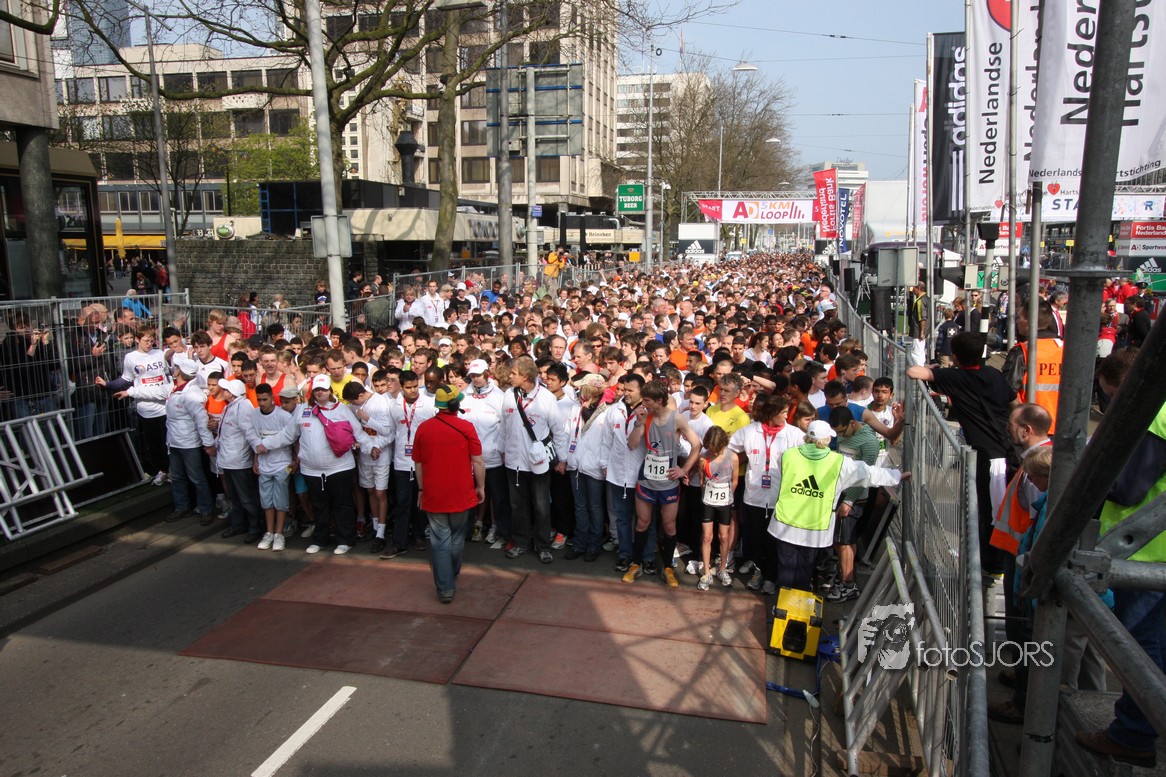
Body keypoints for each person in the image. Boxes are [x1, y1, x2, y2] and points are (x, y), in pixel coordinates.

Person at [1076, 351, 1166, 768]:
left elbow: (1128, 488)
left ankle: (1133, 734)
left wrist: (1087, 469)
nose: (1107, 405)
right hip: (1150, 553)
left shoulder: (1153, 416)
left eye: (1110, 397)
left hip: (1143, 554)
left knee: (1141, 647)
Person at [907, 331, 1015, 575]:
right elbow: (1014, 402)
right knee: (994, 510)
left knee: (991, 513)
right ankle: (989, 561)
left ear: (955, 356)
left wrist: (932, 368)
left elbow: (914, 372)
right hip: (1004, 448)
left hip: (989, 457)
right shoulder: (994, 374)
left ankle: (993, 567)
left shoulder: (955, 377)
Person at [770, 420, 907, 591]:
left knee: (785, 570)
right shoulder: (839, 462)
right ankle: (798, 605)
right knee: (805, 571)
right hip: (815, 528)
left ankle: (783, 604)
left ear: (807, 437)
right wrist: (896, 476)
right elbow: (868, 473)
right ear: (827, 440)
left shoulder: (788, 455)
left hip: (785, 523)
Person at [276, 374, 384, 555]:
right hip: (312, 471)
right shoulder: (303, 411)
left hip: (340, 468)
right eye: (317, 390)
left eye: (324, 389)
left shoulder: (343, 410)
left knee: (342, 505)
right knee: (320, 506)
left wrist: (373, 447)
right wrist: (263, 445)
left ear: (330, 390)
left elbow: (359, 434)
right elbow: (288, 435)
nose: (320, 393)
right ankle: (320, 540)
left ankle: (345, 540)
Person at [623, 380, 703, 587]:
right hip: (647, 480)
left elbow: (697, 445)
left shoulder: (676, 419)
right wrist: (639, 423)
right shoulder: (645, 417)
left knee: (669, 525)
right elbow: (632, 444)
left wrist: (684, 470)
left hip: (668, 482)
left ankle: (668, 567)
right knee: (642, 522)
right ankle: (636, 563)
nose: (644, 404)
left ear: (659, 401)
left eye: (647, 400)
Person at [411, 384, 486, 603]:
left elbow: (418, 463)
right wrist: (481, 486)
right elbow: (478, 461)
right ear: (455, 404)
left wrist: (422, 489)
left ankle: (445, 587)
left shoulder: (424, 428)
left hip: (434, 493)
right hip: (461, 493)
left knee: (440, 539)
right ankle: (450, 575)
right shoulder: (466, 427)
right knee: (457, 536)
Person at [164, 358, 215, 525]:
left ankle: (206, 509)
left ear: (179, 371)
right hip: (174, 442)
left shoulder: (192, 395)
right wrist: (130, 391)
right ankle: (182, 507)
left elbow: (201, 421)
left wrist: (208, 444)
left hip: (189, 444)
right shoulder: (176, 389)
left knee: (197, 478)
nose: (173, 369)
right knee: (177, 477)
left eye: (176, 367)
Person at [250, 383, 295, 550]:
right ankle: (269, 532)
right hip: (264, 465)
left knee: (281, 500)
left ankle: (279, 533)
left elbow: (292, 439)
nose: (262, 403)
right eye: (259, 400)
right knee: (266, 501)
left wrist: (295, 460)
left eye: (265, 399)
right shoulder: (254, 415)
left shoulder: (284, 416)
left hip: (282, 464)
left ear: (272, 398)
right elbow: (255, 439)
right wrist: (256, 459)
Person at [696, 426, 738, 591]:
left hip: (725, 502)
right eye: (710, 449)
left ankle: (722, 569)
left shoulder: (732, 457)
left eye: (716, 450)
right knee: (707, 536)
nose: (713, 453)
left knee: (723, 536)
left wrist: (727, 496)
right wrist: (708, 494)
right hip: (708, 501)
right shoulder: (703, 458)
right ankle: (707, 572)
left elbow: (734, 480)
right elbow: (702, 480)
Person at [906, 282, 928, 366]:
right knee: (920, 352)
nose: (913, 290)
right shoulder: (927, 299)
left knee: (917, 353)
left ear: (918, 288)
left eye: (914, 288)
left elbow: (922, 317)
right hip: (922, 331)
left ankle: (918, 370)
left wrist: (921, 332)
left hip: (918, 331)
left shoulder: (920, 301)